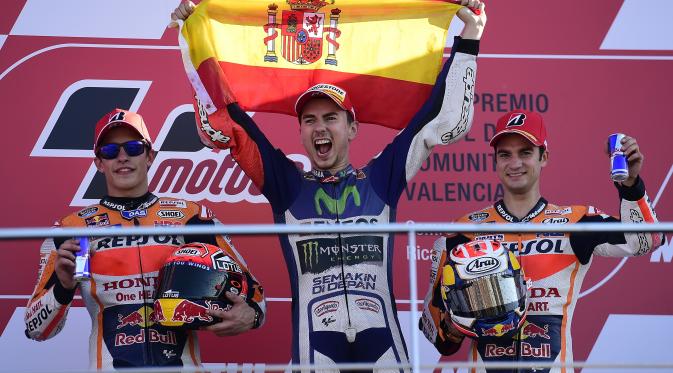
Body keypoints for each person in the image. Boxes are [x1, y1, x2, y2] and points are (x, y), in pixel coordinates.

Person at [173, 0, 486, 369]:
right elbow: (235, 124)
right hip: (314, 348)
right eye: (309, 120)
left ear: (352, 128)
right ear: (301, 133)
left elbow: (432, 119)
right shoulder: (286, 185)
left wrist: (469, 37)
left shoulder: (381, 179)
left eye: (331, 118)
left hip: (385, 345)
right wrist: (193, 36)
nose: (320, 127)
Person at [419, 109, 665, 372]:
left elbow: (646, 240)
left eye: (525, 152)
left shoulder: (577, 221)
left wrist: (631, 185)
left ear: (543, 157)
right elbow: (440, 338)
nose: (514, 163)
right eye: (505, 154)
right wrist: (463, 318)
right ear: (495, 161)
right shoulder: (463, 232)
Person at [24, 109, 266, 369]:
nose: (122, 157)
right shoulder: (75, 230)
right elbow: (35, 329)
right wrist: (64, 286)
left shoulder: (192, 218)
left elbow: (255, 294)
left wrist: (251, 315)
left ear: (150, 156)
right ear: (98, 163)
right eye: (109, 151)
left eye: (133, 147)